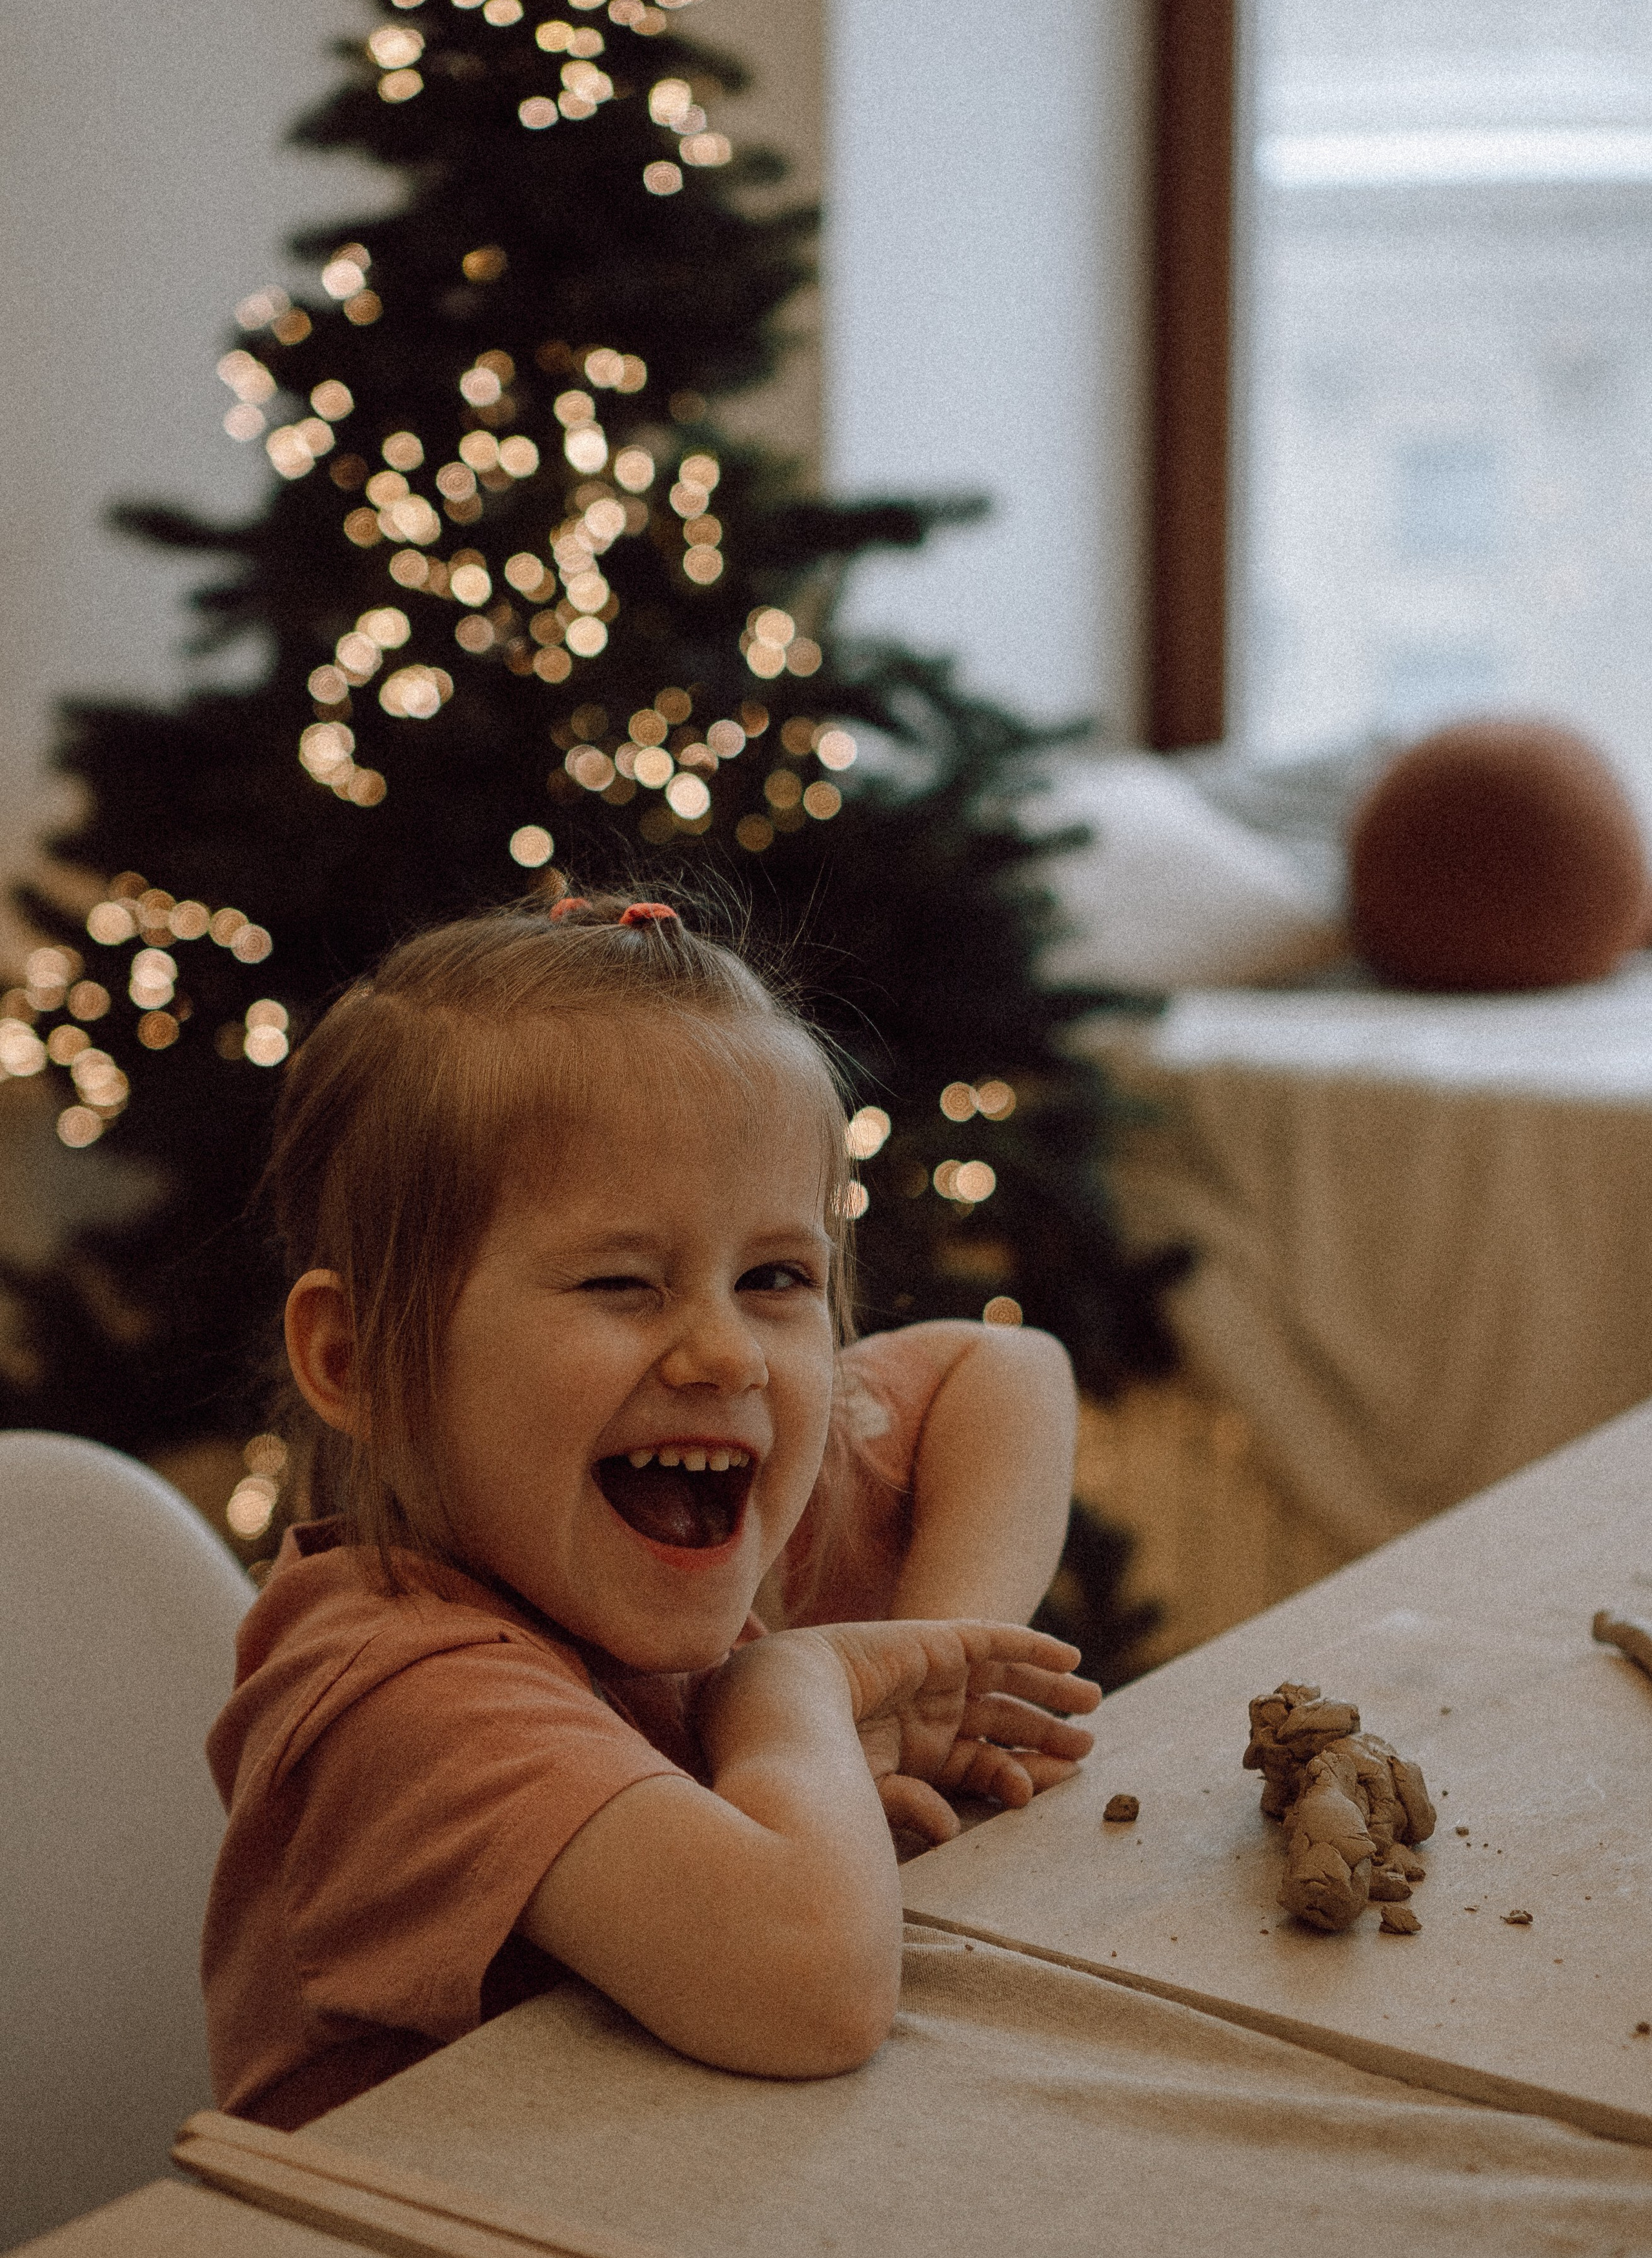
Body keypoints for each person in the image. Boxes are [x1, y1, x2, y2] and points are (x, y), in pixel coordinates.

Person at [203, 888, 1099, 2128]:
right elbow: (814, 1990)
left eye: (776, 1276)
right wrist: (793, 1693)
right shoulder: (400, 1692)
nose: (727, 1355)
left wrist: (925, 1674)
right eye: (622, 1281)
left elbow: (1007, 1375)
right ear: (360, 1360)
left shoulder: (678, 1480)